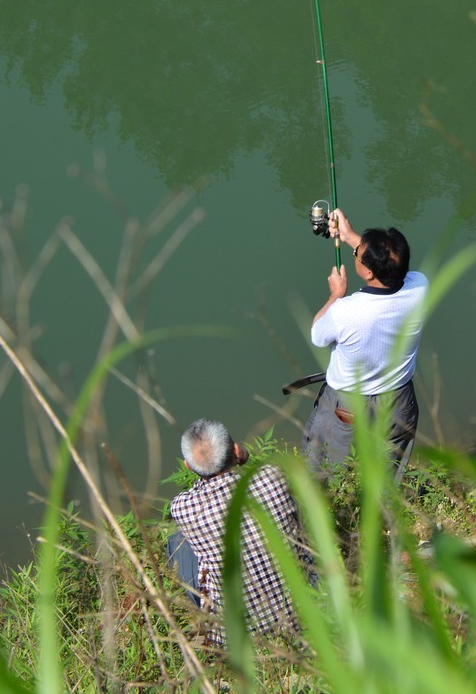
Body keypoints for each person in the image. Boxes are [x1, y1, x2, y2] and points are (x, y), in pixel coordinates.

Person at [168, 419, 317, 648]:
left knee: (177, 541)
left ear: (188, 466)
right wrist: (243, 460)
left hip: (238, 638)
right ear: (236, 450)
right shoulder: (273, 477)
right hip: (306, 612)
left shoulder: (183, 508)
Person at [303, 208, 428, 473]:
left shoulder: (346, 310)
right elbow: (392, 266)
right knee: (388, 472)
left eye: (357, 255)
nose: (355, 253)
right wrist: (350, 237)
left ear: (369, 273)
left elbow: (317, 335)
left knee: (325, 467)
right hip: (398, 402)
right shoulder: (420, 287)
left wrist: (336, 295)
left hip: (349, 407)